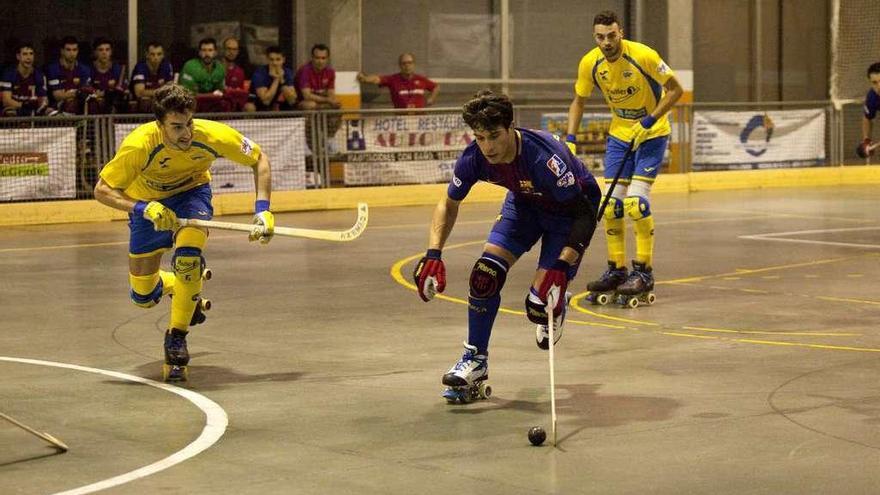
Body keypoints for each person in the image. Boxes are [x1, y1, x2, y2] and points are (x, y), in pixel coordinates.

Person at [414, 90, 602, 401]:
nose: (487, 146)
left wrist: (562, 264)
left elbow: (585, 214)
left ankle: (552, 303)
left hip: (569, 213)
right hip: (524, 204)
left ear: (510, 127)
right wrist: (433, 254)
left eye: (493, 136)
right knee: (484, 275)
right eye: (479, 137)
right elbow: (448, 203)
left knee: (538, 306)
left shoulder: (544, 159)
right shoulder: (475, 157)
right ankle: (475, 359)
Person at [93, 84, 274, 382]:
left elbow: (259, 160)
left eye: (188, 123)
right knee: (143, 297)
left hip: (192, 196)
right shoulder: (139, 145)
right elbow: (102, 191)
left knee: (189, 259)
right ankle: (180, 286)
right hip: (147, 206)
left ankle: (176, 336)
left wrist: (263, 209)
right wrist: (144, 209)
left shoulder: (212, 135)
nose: (186, 133)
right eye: (176, 127)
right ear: (159, 125)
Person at [566, 10, 682, 305]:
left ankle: (643, 272)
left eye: (612, 35)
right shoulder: (590, 63)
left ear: (621, 34)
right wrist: (569, 139)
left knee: (636, 203)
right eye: (600, 37)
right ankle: (616, 270)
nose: (606, 42)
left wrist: (650, 120)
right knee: (610, 206)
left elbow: (675, 90)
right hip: (619, 136)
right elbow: (578, 101)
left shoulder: (643, 55)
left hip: (651, 134)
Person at [356, 53, 439, 108]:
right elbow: (376, 79)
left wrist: (431, 98)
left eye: (410, 63)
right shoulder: (393, 79)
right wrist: (365, 79)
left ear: (414, 64)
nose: (407, 66)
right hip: (400, 122)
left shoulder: (421, 79)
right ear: (400, 65)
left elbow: (436, 87)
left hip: (419, 121)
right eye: (404, 63)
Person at [45, 36, 95, 114]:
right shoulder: (53, 69)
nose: (72, 53)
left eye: (74, 50)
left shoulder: (85, 69)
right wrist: (77, 92)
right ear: (62, 51)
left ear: (78, 51)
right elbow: (57, 96)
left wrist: (72, 94)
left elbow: (86, 93)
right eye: (68, 50)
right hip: (57, 107)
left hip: (80, 106)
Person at [179, 38, 229, 112]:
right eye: (204, 50)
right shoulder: (190, 66)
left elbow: (220, 92)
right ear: (199, 52)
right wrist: (212, 95)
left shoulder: (220, 68)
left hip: (212, 106)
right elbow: (188, 95)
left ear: (215, 52)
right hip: (192, 106)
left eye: (210, 50)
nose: (207, 53)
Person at [1, 43, 50, 116]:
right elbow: (6, 101)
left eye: (31, 54)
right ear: (18, 56)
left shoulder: (39, 75)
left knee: (51, 112)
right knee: (10, 112)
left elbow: (44, 99)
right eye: (25, 54)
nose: (28, 57)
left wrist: (40, 107)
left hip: (34, 110)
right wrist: (24, 106)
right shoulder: (8, 74)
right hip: (15, 108)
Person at [248, 45, 297, 112]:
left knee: (291, 106)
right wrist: (276, 79)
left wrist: (282, 80)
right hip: (257, 105)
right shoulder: (259, 73)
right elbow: (266, 101)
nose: (275, 63)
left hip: (275, 104)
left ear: (283, 60)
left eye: (278, 59)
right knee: (250, 107)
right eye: (271, 60)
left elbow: (292, 100)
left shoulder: (287, 72)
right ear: (267, 60)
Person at [130, 41, 174, 113]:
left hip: (161, 104)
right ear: (147, 55)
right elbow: (139, 93)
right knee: (145, 100)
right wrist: (162, 91)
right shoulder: (140, 67)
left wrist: (149, 92)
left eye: (159, 54)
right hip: (141, 106)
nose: (156, 57)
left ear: (163, 55)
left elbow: (170, 90)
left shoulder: (167, 66)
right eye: (152, 54)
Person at [294, 43, 340, 110]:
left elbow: (331, 94)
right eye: (317, 58)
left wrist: (333, 101)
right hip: (301, 103)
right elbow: (307, 96)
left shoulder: (330, 72)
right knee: (310, 105)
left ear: (328, 59)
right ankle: (312, 120)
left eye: (323, 58)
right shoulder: (304, 71)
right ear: (312, 58)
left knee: (336, 105)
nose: (320, 61)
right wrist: (327, 100)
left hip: (321, 102)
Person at [90, 38, 128, 114]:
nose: (104, 53)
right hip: (95, 105)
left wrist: (104, 93)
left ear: (111, 52)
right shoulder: (89, 69)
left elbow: (122, 90)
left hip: (112, 105)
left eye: (107, 50)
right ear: (95, 52)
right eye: (101, 50)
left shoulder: (118, 69)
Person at [857, 62, 880, 159]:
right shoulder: (872, 98)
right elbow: (867, 118)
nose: (879, 86)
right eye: (874, 83)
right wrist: (867, 139)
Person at [221, 37, 249, 112]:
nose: (231, 52)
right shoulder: (216, 68)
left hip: (234, 106)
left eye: (234, 49)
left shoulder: (240, 72)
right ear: (223, 50)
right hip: (218, 103)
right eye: (229, 49)